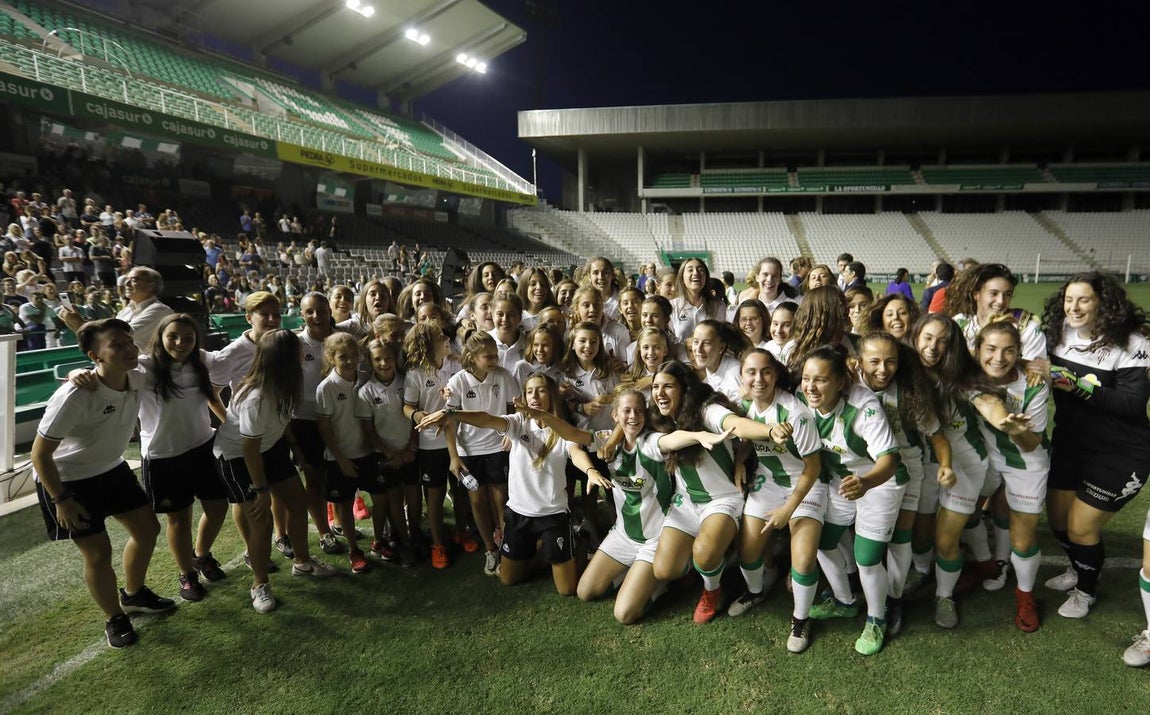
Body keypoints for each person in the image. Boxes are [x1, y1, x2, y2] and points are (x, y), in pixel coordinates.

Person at [31, 319, 175, 648]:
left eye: (129, 342)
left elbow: (176, 355)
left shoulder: (136, 375)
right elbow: (40, 455)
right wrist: (61, 499)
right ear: (96, 355)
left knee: (147, 529)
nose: (128, 349)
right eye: (117, 345)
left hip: (111, 468)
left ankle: (134, 594)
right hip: (68, 479)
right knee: (97, 553)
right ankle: (115, 618)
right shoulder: (75, 396)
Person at [417, 373, 593, 595]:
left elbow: (576, 452)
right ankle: (541, 550)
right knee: (508, 579)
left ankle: (580, 539)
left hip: (553, 515)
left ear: (551, 395)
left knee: (566, 590)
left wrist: (590, 470)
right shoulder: (518, 423)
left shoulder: (561, 429)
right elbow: (486, 418)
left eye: (540, 390)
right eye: (529, 391)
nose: (534, 396)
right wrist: (450, 412)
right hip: (520, 514)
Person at [647, 360, 792, 624]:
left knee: (703, 554)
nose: (660, 393)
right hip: (687, 502)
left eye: (668, 386)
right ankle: (713, 557)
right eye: (656, 387)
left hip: (721, 500)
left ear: (685, 389)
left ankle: (711, 588)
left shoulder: (706, 411)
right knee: (664, 569)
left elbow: (735, 424)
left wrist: (769, 431)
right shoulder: (659, 417)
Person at [1041, 272, 1150, 619]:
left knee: (1081, 527)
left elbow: (1132, 404)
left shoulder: (1132, 343)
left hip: (1120, 452)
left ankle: (1085, 590)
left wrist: (1075, 385)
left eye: (1083, 300)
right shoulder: (1057, 336)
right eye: (1068, 300)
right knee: (1057, 520)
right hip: (1072, 443)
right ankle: (1078, 566)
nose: (1073, 307)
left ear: (1103, 303)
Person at [214, 329, 335, 615]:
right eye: (296, 350)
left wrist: (296, 448)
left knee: (298, 502)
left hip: (270, 447)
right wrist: (260, 488)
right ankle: (260, 584)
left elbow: (284, 420)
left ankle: (303, 563)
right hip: (237, 456)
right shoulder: (257, 396)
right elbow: (249, 450)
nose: (302, 353)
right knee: (262, 521)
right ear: (284, 358)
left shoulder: (288, 382)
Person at [798, 346, 901, 656]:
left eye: (821, 380)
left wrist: (866, 483)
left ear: (841, 382)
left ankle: (876, 619)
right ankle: (844, 602)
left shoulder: (864, 407)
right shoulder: (801, 402)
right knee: (821, 540)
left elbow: (890, 460)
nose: (811, 387)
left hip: (879, 482)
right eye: (806, 379)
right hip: (840, 482)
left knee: (866, 558)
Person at [727, 349, 824, 653]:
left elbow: (814, 467)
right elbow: (747, 441)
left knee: (804, 559)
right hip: (769, 482)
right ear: (742, 377)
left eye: (766, 372)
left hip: (805, 485)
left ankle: (801, 618)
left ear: (776, 374)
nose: (759, 379)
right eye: (751, 372)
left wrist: (789, 508)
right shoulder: (744, 407)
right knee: (747, 551)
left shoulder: (795, 413)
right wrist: (741, 461)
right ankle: (756, 592)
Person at [854, 332, 951, 635]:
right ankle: (853, 591)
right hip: (859, 468)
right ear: (859, 362)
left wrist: (946, 465)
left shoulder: (910, 392)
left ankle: (894, 598)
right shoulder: (847, 384)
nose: (883, 369)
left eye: (890, 361)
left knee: (900, 536)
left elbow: (937, 436)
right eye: (874, 362)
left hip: (906, 468)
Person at [973, 321, 1049, 632]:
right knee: (963, 513)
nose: (999, 358)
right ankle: (992, 564)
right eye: (991, 349)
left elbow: (1033, 443)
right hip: (984, 459)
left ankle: (1025, 596)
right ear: (977, 350)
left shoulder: (1034, 384)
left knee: (1024, 538)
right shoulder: (968, 375)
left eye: (1009, 351)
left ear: (1019, 352)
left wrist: (1017, 431)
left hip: (1026, 462)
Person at [444, 332, 517, 574]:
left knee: (501, 499)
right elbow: (449, 422)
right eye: (488, 356)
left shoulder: (504, 376)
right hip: (470, 451)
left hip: (498, 447)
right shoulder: (457, 382)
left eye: (495, 355)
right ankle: (490, 549)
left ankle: (506, 545)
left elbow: (513, 410)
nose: (494, 360)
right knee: (477, 499)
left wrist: (510, 433)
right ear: (471, 357)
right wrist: (454, 456)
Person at [403, 322, 462, 568]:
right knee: (435, 497)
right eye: (440, 336)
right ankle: (438, 544)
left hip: (459, 442)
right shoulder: (415, 374)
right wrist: (419, 416)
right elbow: (407, 406)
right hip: (430, 446)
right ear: (427, 345)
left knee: (461, 492)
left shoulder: (455, 365)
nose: (446, 338)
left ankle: (462, 532)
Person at [315, 332, 374, 574]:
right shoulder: (326, 388)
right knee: (345, 505)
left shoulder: (365, 379)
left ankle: (383, 540)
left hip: (366, 451)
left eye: (353, 356)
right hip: (341, 457)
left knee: (381, 496)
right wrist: (341, 458)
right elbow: (325, 428)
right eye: (343, 357)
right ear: (331, 357)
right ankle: (354, 550)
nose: (349, 361)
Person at [360, 338, 419, 567]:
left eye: (388, 358)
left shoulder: (407, 381)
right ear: (370, 361)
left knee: (414, 497)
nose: (384, 363)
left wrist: (411, 447)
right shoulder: (366, 391)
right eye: (378, 359)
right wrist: (390, 454)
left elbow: (415, 417)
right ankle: (404, 543)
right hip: (385, 456)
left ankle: (416, 536)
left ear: (395, 359)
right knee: (394, 498)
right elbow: (369, 431)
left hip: (410, 452)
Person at [60, 266, 173, 351]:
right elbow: (106, 336)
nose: (127, 284)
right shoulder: (126, 310)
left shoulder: (159, 311)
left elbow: (118, 336)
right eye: (126, 279)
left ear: (151, 285)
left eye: (134, 280)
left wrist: (80, 325)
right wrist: (77, 325)